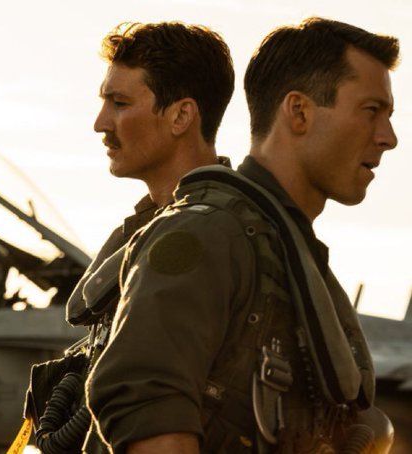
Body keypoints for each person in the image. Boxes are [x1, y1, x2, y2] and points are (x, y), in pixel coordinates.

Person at [87, 17, 398, 453]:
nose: (389, 138)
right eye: (371, 111)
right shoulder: (207, 232)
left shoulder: (288, 257)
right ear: (299, 111)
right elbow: (148, 411)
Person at [43, 21, 235, 453]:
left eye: (119, 102)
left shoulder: (205, 236)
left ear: (181, 116)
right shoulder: (159, 228)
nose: (100, 123)